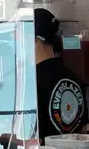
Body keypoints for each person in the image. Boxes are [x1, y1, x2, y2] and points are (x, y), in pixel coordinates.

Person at [33, 8, 86, 142]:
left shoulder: (32, 81)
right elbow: (83, 130)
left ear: (34, 39)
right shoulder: (73, 77)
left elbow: (29, 138)